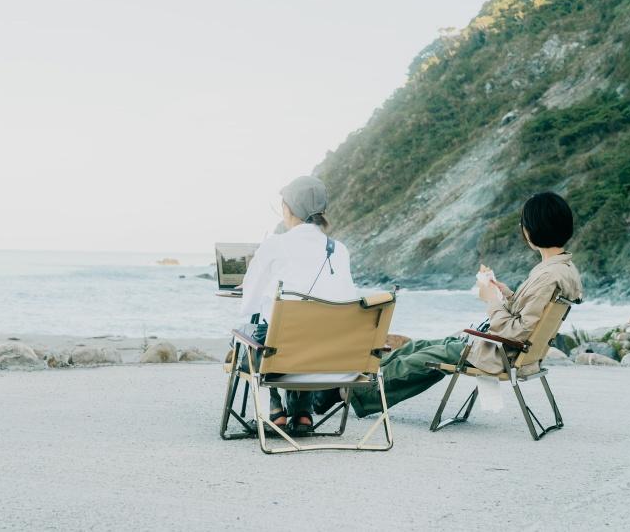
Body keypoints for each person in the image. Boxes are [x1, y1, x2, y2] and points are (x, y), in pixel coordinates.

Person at [315, 191, 583, 418]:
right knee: (420, 347)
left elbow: (517, 331)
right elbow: (528, 316)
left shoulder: (547, 275)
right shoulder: (560, 269)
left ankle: (344, 390)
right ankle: (351, 385)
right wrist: (506, 294)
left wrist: (491, 301)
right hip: (507, 349)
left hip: (500, 353)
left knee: (424, 358)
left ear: (531, 230)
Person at [237, 175, 358, 434]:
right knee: (303, 333)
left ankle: (275, 408)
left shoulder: (275, 245)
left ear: (287, 209)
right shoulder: (340, 250)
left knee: (253, 336)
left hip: (281, 358)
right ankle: (302, 412)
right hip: (331, 358)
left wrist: (255, 288)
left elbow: (249, 305)